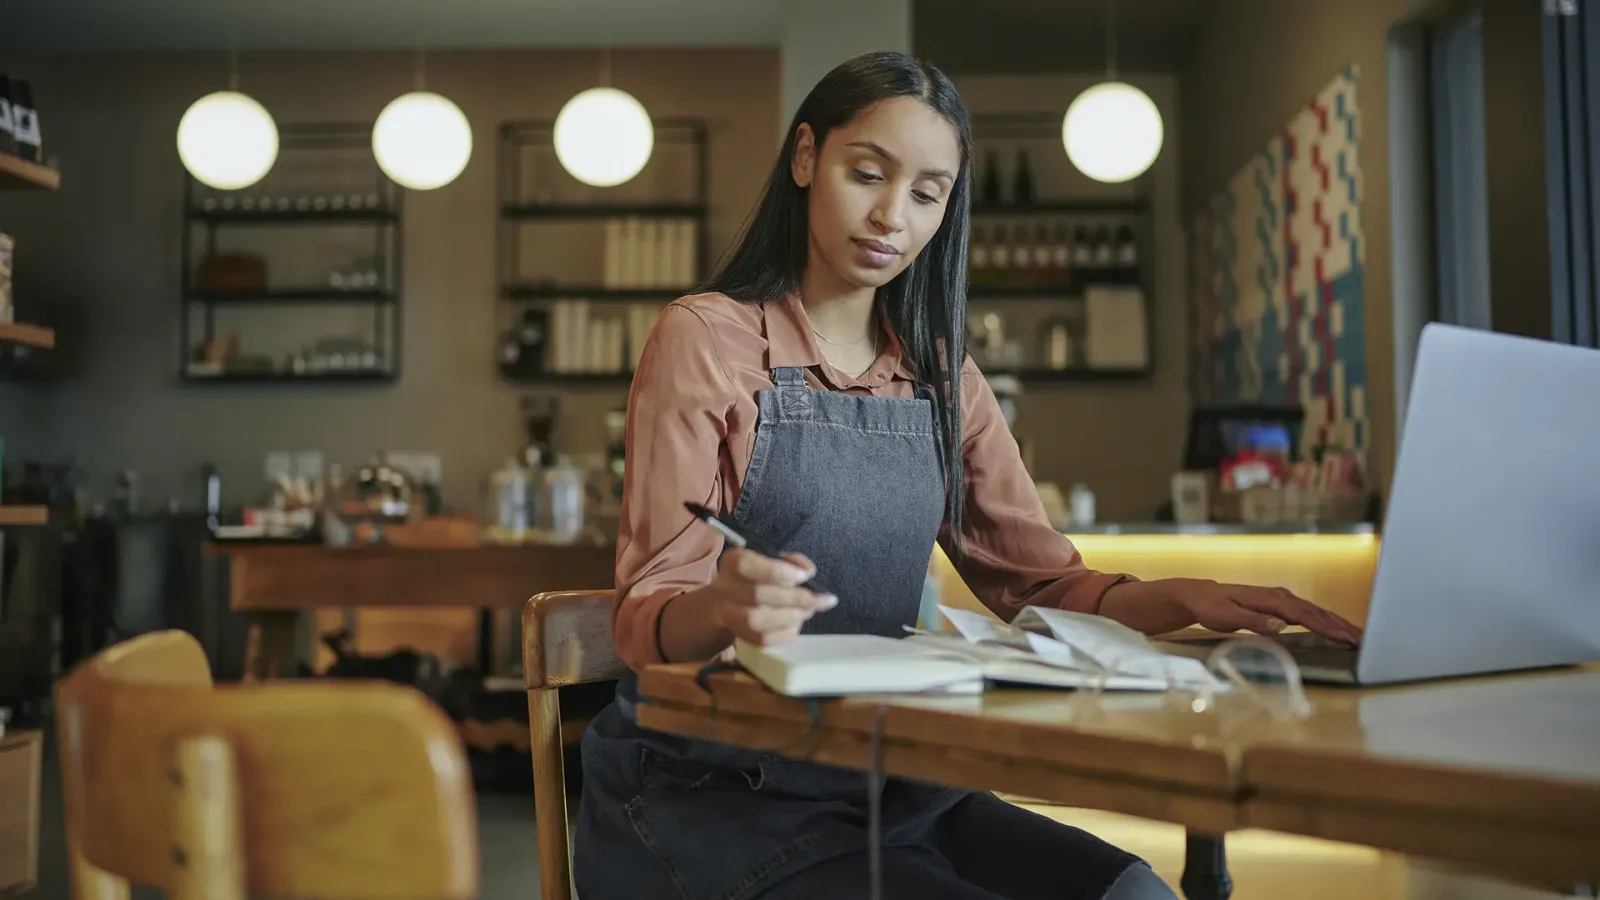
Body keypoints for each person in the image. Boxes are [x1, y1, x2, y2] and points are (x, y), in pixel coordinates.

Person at [572, 50, 1364, 900]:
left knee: (1134, 890)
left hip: (884, 773)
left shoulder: (943, 377)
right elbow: (644, 616)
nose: (891, 217)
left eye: (927, 193)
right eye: (866, 173)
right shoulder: (707, 339)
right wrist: (719, 608)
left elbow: (1041, 584)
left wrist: (1184, 603)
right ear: (806, 159)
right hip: (710, 787)